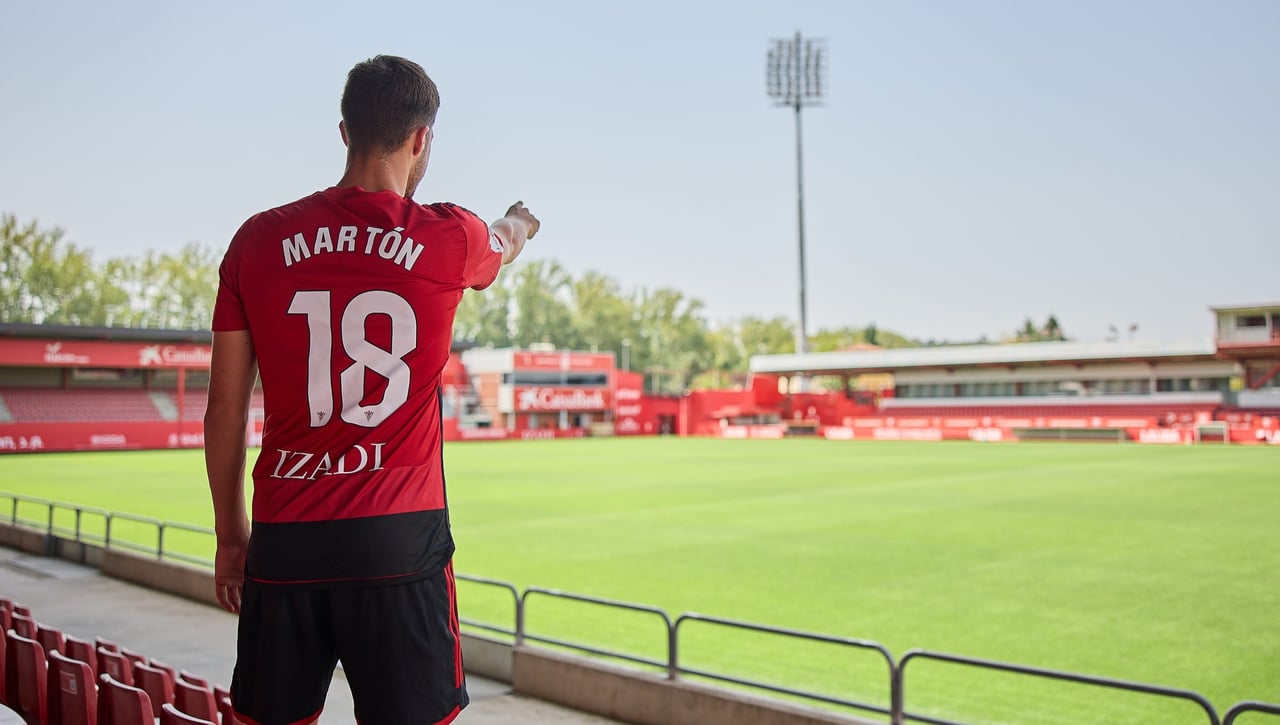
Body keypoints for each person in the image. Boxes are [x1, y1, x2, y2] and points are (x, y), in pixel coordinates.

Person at [204, 55, 538, 725]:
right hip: (399, 544)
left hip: (284, 538)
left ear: (344, 131)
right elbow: (503, 242)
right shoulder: (450, 236)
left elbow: (225, 410)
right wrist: (519, 221)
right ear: (421, 140)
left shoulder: (256, 241)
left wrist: (232, 535)